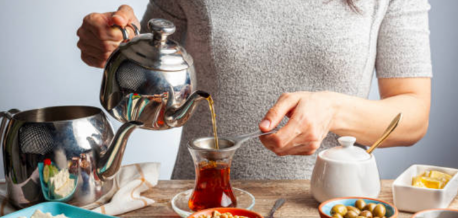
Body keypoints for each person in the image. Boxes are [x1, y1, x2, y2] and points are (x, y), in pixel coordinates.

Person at [77, 0, 432, 180]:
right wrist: (117, 45)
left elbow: (414, 115)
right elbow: (154, 81)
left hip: (333, 212)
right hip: (203, 209)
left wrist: (333, 111)